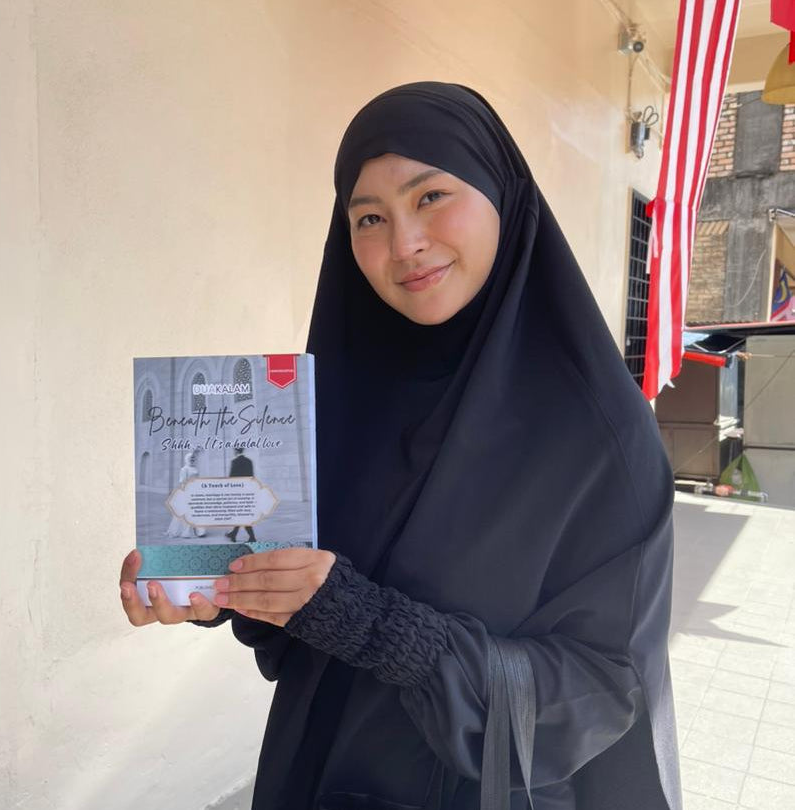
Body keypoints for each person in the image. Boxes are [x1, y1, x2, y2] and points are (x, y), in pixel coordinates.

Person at [120, 82, 681, 810]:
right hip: (316, 772)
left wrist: (379, 628)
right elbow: (304, 585)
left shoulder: (602, 438)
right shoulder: (345, 394)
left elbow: (603, 690)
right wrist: (209, 580)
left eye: (430, 197)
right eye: (369, 218)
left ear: (503, 194)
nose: (404, 245)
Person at [164, 451, 206, 539]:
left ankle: (200, 531)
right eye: (191, 458)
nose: (192, 460)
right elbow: (182, 481)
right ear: (187, 459)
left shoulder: (195, 468)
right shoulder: (184, 469)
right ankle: (186, 531)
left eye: (193, 458)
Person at [225, 447, 258, 542]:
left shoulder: (234, 461)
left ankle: (251, 537)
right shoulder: (249, 461)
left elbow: (231, 478)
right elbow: (252, 477)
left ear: (235, 451)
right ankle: (234, 534)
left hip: (237, 492)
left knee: (241, 514)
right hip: (247, 492)